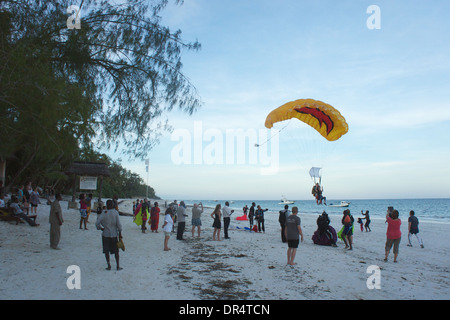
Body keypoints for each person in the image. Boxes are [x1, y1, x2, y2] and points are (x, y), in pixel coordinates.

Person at [96, 199, 123, 270]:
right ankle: (117, 266)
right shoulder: (115, 212)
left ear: (107, 205)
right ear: (113, 205)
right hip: (114, 234)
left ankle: (109, 265)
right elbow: (119, 224)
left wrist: (100, 228)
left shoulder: (104, 212)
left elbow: (97, 223)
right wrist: (120, 233)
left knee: (106, 251)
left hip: (105, 234)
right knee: (116, 251)